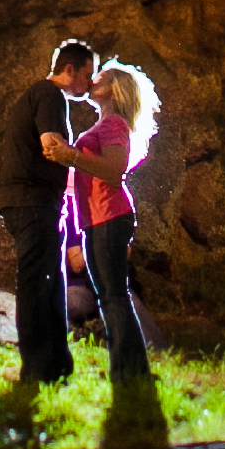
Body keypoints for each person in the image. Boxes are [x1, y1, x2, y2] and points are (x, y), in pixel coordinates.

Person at [0, 31, 99, 387]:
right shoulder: (49, 94)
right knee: (37, 285)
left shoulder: (43, 96)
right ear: (68, 69)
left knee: (49, 281)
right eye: (87, 74)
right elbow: (50, 145)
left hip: (34, 202)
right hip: (32, 202)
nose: (89, 83)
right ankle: (38, 369)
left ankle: (56, 365)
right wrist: (89, 164)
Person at [72, 54, 159, 372]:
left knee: (114, 295)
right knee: (110, 294)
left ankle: (131, 368)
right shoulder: (105, 123)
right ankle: (129, 366)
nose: (93, 79)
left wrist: (71, 156)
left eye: (101, 77)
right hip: (97, 218)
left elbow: (113, 170)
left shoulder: (113, 124)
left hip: (109, 215)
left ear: (113, 88)